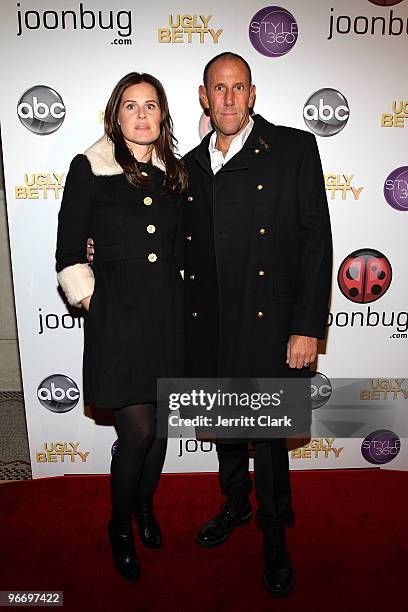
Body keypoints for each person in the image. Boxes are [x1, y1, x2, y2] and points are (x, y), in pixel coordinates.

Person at [182, 52, 333, 596]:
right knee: (224, 426)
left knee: (268, 439)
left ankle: (274, 531)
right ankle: (233, 503)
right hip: (213, 323)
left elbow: (317, 242)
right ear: (204, 96)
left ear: (252, 93)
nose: (227, 98)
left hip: (272, 322)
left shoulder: (293, 149)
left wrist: (307, 327)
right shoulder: (191, 165)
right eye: (217, 89)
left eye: (237, 88)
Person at [55, 72, 187, 582]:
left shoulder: (176, 173)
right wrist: (88, 296)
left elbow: (181, 247)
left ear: (162, 115)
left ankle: (145, 506)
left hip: (169, 314)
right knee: (139, 429)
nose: (141, 114)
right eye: (130, 106)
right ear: (116, 114)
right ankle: (120, 526)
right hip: (120, 316)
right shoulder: (90, 167)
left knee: (162, 432)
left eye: (150, 105)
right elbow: (70, 246)